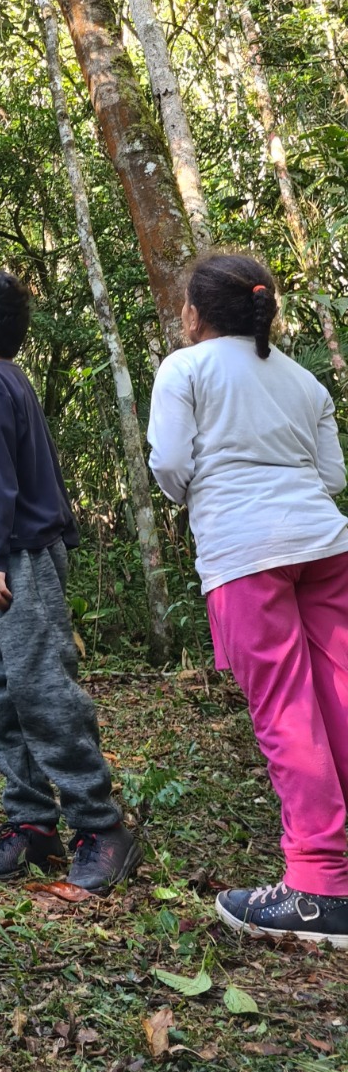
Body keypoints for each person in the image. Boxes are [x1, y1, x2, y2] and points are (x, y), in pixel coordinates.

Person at [147, 253, 348, 946]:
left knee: (288, 712)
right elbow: (332, 474)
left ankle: (320, 886)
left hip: (245, 555)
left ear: (194, 316)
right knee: (338, 695)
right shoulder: (303, 378)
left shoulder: (186, 368)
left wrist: (199, 492)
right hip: (326, 546)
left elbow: (170, 465)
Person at [0, 269, 141, 895]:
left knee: (42, 691)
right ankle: (33, 822)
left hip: (15, 566)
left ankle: (101, 827)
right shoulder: (7, 381)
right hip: (2, 554)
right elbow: (7, 485)